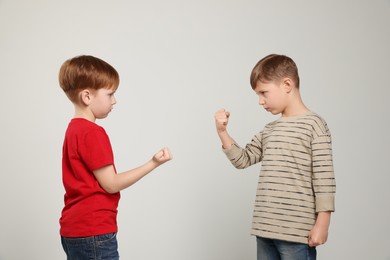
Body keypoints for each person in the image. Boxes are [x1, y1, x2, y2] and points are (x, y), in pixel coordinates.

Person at [215, 54, 336, 260]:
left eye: (264, 92)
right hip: (264, 230)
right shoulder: (269, 129)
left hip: (296, 233)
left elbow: (324, 178)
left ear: (287, 84)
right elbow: (243, 159)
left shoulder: (314, 125)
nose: (261, 101)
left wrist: (322, 224)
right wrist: (222, 132)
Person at [58, 55, 172, 260]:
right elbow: (110, 184)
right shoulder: (92, 132)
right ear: (87, 97)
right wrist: (152, 163)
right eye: (110, 94)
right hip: (94, 231)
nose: (114, 100)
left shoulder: (73, 129)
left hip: (73, 230)